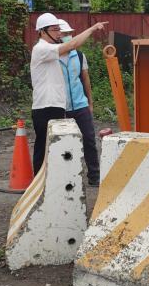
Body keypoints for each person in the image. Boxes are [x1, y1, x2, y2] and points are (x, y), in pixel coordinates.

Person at [30, 13, 108, 176]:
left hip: (56, 106)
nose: (60, 33)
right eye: (56, 30)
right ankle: (39, 182)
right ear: (43, 31)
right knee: (44, 148)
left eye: (61, 30)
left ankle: (53, 182)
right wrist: (92, 28)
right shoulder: (42, 49)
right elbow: (72, 45)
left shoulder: (53, 51)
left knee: (58, 147)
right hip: (46, 106)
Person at [57, 20, 100, 185]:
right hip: (61, 107)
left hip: (80, 104)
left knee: (89, 138)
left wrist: (90, 102)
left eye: (70, 34)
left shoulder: (80, 56)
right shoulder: (52, 57)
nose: (69, 37)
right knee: (65, 143)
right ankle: (68, 179)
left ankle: (94, 176)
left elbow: (85, 79)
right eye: (65, 34)